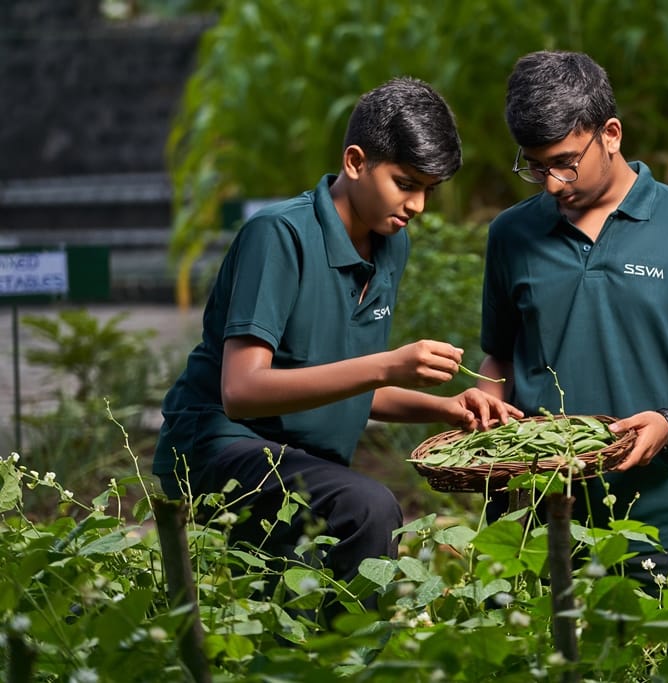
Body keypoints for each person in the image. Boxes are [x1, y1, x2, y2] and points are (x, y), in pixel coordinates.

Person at [153, 77, 522, 597]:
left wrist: (445, 407)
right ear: (355, 162)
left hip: (306, 460)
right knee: (368, 507)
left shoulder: (390, 245)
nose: (417, 204)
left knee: (297, 592)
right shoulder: (278, 236)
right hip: (224, 444)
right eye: (405, 182)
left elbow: (345, 379)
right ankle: (358, 659)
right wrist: (388, 364)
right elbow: (241, 391)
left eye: (428, 190)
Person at [475, 51, 668, 593]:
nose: (552, 184)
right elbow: (499, 358)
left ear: (610, 133)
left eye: (564, 162)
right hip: (537, 520)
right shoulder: (510, 235)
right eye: (535, 167)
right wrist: (485, 408)